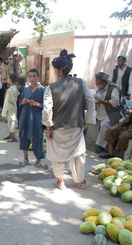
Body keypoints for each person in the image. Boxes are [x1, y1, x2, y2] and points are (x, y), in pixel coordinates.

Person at [42, 49, 96, 190]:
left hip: (57, 128)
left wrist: (48, 128)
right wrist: (88, 121)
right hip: (76, 126)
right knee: (78, 155)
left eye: (55, 70)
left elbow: (47, 110)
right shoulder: (80, 83)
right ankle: (80, 181)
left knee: (57, 155)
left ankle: (60, 181)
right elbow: (91, 101)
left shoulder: (50, 88)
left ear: (59, 71)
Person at [19, 68, 47, 169]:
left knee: (38, 138)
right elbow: (19, 103)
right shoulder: (25, 90)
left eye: (34, 76)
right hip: (25, 117)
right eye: (30, 76)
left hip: (36, 118)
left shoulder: (42, 90)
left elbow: (46, 106)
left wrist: (36, 104)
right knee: (24, 137)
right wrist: (23, 102)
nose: (32, 78)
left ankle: (38, 161)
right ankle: (25, 159)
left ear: (38, 77)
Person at [93, 72, 124, 153]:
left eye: (96, 80)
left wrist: (102, 102)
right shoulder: (100, 89)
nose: (95, 82)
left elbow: (114, 102)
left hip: (112, 114)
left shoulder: (113, 89)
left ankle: (102, 146)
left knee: (104, 125)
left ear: (101, 80)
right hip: (102, 112)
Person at [2, 73, 19, 142]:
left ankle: (13, 137)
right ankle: (10, 134)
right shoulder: (13, 88)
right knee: (9, 121)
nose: (7, 80)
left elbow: (12, 99)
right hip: (10, 106)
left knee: (12, 121)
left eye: (8, 78)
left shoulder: (12, 89)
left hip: (11, 106)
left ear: (11, 80)